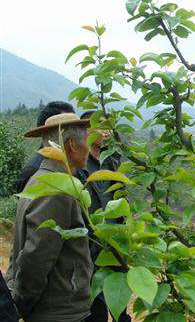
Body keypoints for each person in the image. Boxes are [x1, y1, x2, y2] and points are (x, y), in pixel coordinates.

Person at [6, 113, 93, 322]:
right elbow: (37, 256)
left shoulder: (41, 178)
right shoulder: (57, 189)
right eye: (88, 140)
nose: (90, 148)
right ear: (72, 144)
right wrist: (21, 303)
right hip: (58, 310)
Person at [75, 111, 130, 322]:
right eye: (101, 126)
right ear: (87, 131)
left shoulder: (112, 159)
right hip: (92, 242)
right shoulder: (80, 163)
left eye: (108, 127)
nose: (106, 132)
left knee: (120, 297)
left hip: (116, 240)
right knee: (96, 300)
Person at [16, 101, 75, 192]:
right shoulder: (34, 170)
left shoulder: (74, 163)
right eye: (68, 127)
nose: (77, 133)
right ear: (49, 132)